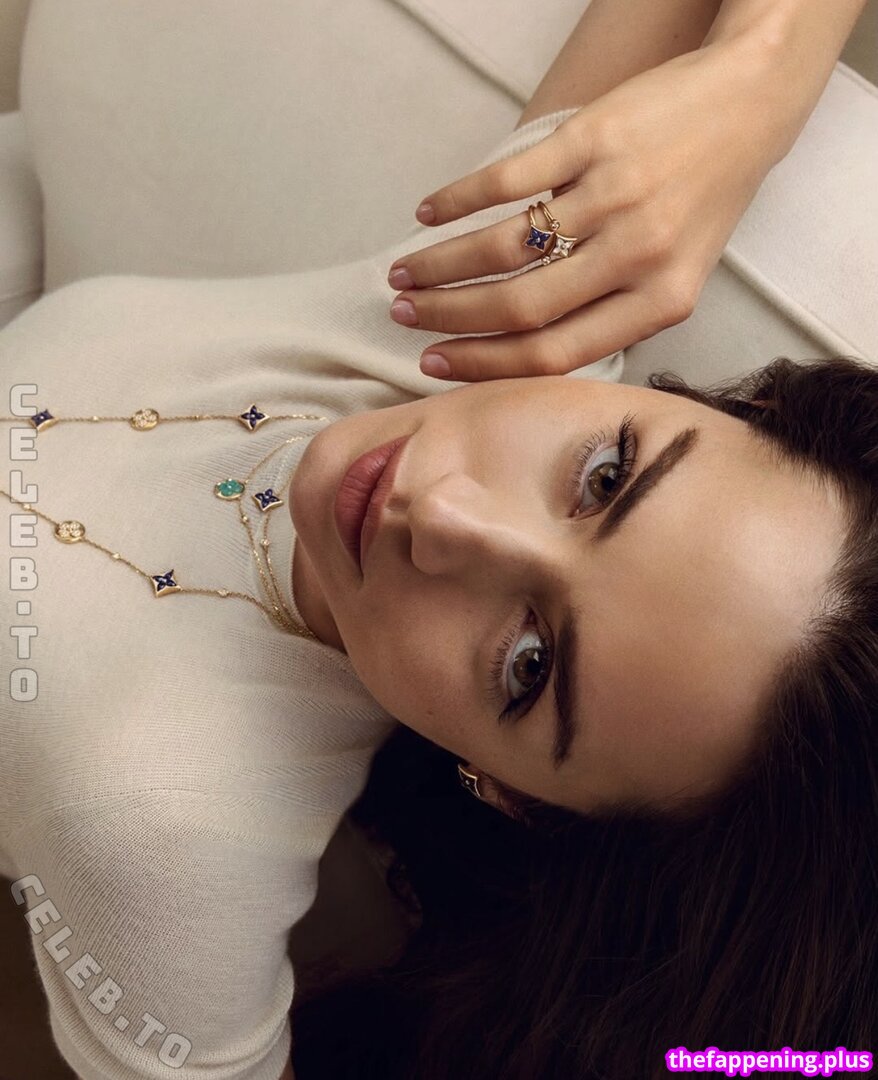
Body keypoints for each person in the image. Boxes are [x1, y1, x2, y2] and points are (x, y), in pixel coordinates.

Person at [0, 2, 874, 1080]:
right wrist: (756, 81)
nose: (444, 514)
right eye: (607, 477)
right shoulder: (511, 317)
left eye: (528, 664)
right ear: (700, 400)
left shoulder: (161, 836)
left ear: (509, 794)